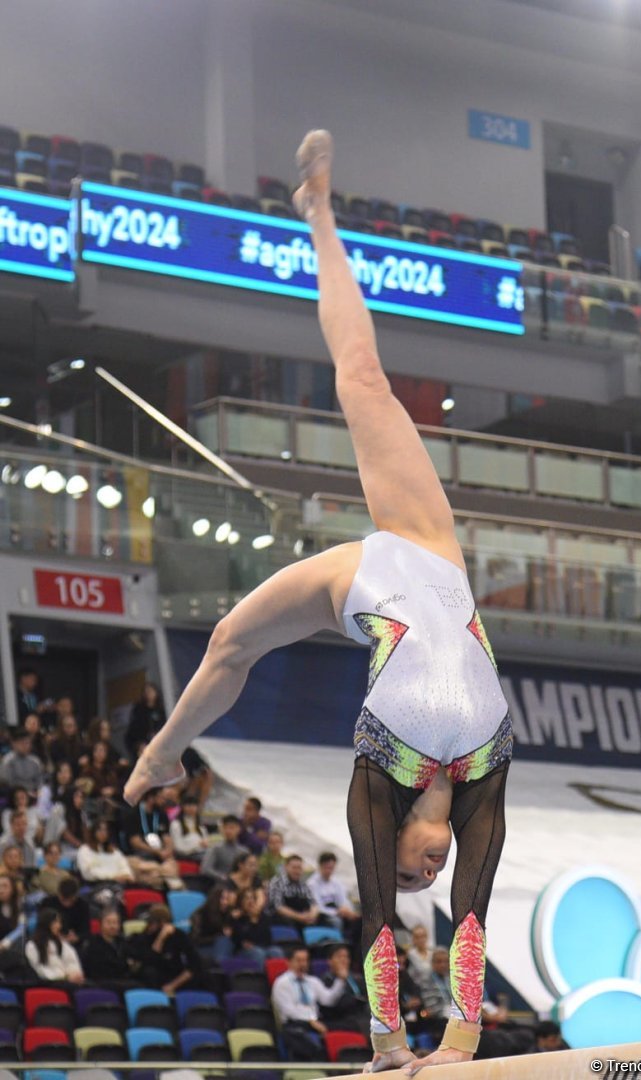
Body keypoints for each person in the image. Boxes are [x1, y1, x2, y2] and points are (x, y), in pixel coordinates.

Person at [124, 130, 512, 1074]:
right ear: (445, 836)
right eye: (433, 866)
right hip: (430, 550)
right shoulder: (489, 761)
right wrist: (461, 1037)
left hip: (358, 584)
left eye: (421, 868)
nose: (427, 873)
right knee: (365, 377)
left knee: (228, 643)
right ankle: (321, 213)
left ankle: (162, 752)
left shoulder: (382, 779)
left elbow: (379, 914)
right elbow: (475, 908)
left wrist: (397, 1045)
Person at [271, 944, 346, 1061]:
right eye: (299, 960)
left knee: (345, 1025)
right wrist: (310, 1020)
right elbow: (289, 1010)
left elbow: (328, 1000)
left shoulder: (312, 981)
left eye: (305, 960)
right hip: (293, 1025)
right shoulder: (281, 983)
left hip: (315, 1024)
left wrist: (340, 980)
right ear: (289, 962)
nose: (303, 964)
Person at [128, 903, 201, 993]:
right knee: (149, 972)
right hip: (153, 978)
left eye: (152, 923)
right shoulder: (144, 937)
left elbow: (194, 965)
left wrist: (172, 985)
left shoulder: (179, 936)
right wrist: (161, 938)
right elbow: (149, 959)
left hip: (175, 977)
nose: (149, 926)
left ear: (163, 923)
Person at [123, 788, 182, 890]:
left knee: (172, 866)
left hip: (161, 856)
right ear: (151, 798)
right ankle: (161, 873)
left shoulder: (162, 815)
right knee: (149, 871)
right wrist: (157, 852)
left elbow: (166, 837)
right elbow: (135, 842)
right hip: (139, 855)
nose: (164, 801)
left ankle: (161, 874)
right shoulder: (133, 814)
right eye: (161, 798)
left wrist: (168, 850)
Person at [319, 943, 370, 1036]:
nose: (343, 960)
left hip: (360, 1017)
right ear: (329, 961)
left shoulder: (357, 978)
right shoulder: (324, 980)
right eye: (339, 957)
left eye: (346, 957)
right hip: (339, 1018)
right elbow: (330, 1006)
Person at [25, 907, 84, 983]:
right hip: (48, 984)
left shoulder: (62, 944)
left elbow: (71, 961)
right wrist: (64, 977)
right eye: (55, 922)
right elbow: (40, 969)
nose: (59, 926)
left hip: (68, 982)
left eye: (59, 922)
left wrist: (74, 974)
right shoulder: (32, 945)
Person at [307, 851, 359, 937]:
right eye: (326, 867)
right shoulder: (312, 884)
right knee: (336, 921)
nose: (329, 871)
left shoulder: (336, 882)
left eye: (331, 868)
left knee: (356, 920)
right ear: (320, 866)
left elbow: (343, 900)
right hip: (323, 914)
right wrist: (336, 912)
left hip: (337, 910)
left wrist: (347, 911)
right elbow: (318, 907)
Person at [82, 907, 136, 985]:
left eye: (115, 923)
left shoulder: (122, 942)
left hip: (122, 979)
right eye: (108, 922)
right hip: (102, 981)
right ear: (101, 924)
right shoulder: (93, 943)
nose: (112, 926)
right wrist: (125, 964)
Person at [267, 854, 319, 930]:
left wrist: (312, 915)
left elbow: (313, 903)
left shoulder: (303, 884)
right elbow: (278, 907)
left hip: (302, 918)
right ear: (286, 867)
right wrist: (300, 917)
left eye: (300, 868)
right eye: (294, 868)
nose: (297, 871)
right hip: (283, 920)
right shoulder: (277, 883)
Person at [77, 819, 134, 884]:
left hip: (120, 882)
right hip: (98, 885)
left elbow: (124, 866)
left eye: (106, 830)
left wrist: (125, 875)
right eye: (100, 830)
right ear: (93, 832)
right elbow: (88, 873)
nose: (103, 833)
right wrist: (113, 878)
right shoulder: (85, 850)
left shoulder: (113, 850)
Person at [42, 876, 90, 950]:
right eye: (64, 900)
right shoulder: (48, 903)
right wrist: (56, 936)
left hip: (75, 945)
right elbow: (41, 926)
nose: (66, 904)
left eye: (70, 900)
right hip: (50, 941)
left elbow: (86, 930)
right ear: (58, 893)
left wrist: (77, 937)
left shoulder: (83, 906)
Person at [199, 814, 248, 883]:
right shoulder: (216, 848)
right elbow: (205, 869)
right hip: (220, 884)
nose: (228, 831)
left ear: (239, 829)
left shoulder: (244, 851)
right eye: (225, 828)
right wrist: (224, 877)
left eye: (231, 828)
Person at [125, 682, 166, 760]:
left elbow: (164, 726)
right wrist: (139, 744)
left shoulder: (160, 711)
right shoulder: (138, 710)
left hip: (159, 744)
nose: (148, 694)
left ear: (156, 693)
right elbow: (133, 731)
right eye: (146, 692)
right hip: (143, 746)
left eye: (150, 691)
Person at [0, 729, 44, 796]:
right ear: (14, 744)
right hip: (15, 796)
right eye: (22, 743)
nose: (26, 746)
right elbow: (8, 784)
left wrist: (38, 792)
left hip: (34, 794)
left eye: (28, 743)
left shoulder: (35, 760)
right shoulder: (8, 761)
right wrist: (27, 794)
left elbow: (39, 782)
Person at [168, 793, 209, 860]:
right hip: (186, 855)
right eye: (188, 805)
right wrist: (197, 846)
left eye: (194, 805)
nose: (191, 808)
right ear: (183, 807)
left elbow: (205, 843)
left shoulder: (201, 826)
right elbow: (178, 847)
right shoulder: (176, 824)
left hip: (201, 853)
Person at [406, 924, 434, 992]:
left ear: (427, 937)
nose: (421, 940)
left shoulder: (432, 954)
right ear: (413, 939)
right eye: (417, 937)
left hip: (434, 988)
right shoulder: (409, 955)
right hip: (418, 990)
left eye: (423, 936)